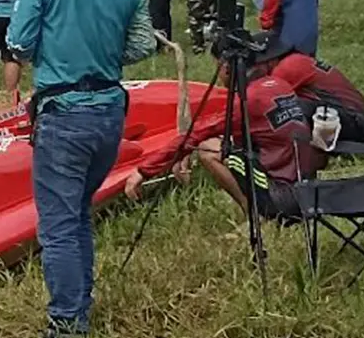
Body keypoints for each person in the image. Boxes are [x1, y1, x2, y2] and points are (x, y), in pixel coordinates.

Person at [5, 0, 156, 338]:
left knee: (58, 224)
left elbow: (20, 40)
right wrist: (104, 52)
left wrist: (54, 53)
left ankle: (67, 324)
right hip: (110, 111)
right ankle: (79, 306)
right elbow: (143, 45)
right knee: (77, 215)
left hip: (63, 111)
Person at [125, 38, 322, 223]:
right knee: (222, 143)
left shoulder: (247, 101)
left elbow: (195, 134)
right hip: (309, 190)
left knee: (206, 149)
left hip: (283, 199)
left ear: (226, 67)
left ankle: (255, 216)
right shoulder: (279, 84)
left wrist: (143, 171)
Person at [258, 46, 364, 144]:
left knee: (283, 108)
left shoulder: (289, 66)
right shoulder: (298, 59)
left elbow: (265, 100)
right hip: (352, 119)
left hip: (353, 123)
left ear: (269, 60)